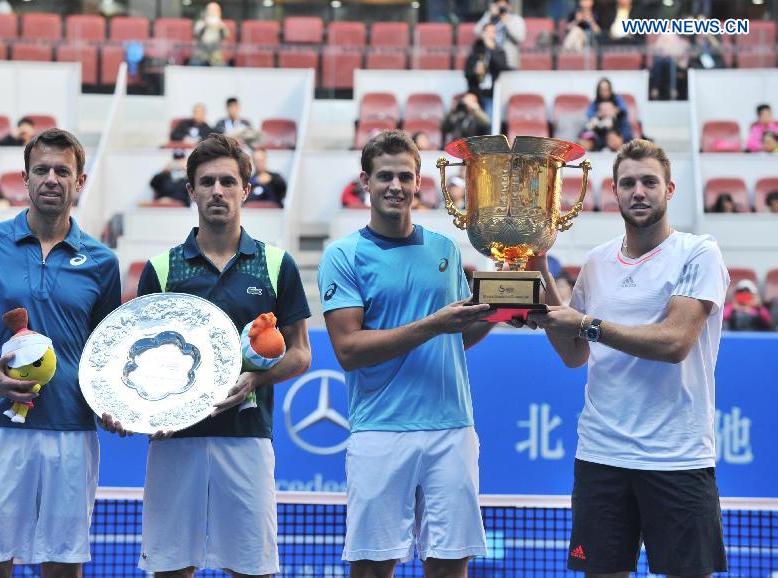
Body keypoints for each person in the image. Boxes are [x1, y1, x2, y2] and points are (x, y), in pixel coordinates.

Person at [522, 139, 729, 578]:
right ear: (613, 192)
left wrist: (587, 324)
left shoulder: (699, 252)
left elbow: (675, 343)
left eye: (649, 182)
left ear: (669, 190)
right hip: (601, 455)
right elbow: (574, 353)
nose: (639, 191)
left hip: (677, 458)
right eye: (628, 183)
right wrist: (536, 266)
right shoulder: (597, 263)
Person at [119, 133, 312, 576]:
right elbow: (137, 359)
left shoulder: (276, 265)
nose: (217, 191)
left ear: (246, 188)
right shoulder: (163, 268)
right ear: (190, 191)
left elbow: (301, 353)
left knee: (251, 571)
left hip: (246, 437)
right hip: (174, 443)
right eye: (206, 182)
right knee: (170, 570)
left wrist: (257, 378)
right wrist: (132, 410)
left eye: (228, 181)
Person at [0, 128, 122, 577]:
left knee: (62, 566)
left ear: (80, 182)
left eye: (63, 171)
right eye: (41, 170)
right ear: (24, 178)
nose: (51, 179)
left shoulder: (103, 262)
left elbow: (105, 355)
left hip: (71, 432)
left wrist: (112, 405)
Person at [317, 130, 496, 577]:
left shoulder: (444, 249)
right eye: (384, 176)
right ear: (366, 181)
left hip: (452, 427)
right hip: (380, 429)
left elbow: (456, 335)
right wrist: (434, 323)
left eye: (404, 176)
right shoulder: (342, 255)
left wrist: (498, 314)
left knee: (450, 563)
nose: (395, 186)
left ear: (419, 183)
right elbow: (349, 349)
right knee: (373, 568)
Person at [464, 23, 508, 116]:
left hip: (490, 94)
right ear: (483, 33)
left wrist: (491, 50)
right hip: (475, 94)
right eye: (488, 32)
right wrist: (475, 72)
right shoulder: (475, 51)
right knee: (474, 122)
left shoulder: (499, 51)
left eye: (493, 32)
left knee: (489, 120)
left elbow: (501, 66)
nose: (491, 34)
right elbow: (467, 73)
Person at [474, 0, 525, 70]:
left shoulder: (516, 19)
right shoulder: (490, 17)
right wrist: (489, 15)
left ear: (509, 6)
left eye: (503, 5)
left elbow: (520, 38)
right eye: (499, 4)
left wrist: (506, 23)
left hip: (509, 62)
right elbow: (477, 32)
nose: (501, 7)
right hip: (489, 61)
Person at [191, 1, 230, 66]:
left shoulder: (221, 25)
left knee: (227, 70)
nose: (212, 12)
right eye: (210, 10)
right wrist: (205, 24)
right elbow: (196, 35)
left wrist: (220, 26)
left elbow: (227, 37)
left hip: (216, 60)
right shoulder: (200, 24)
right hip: (200, 59)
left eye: (215, 10)